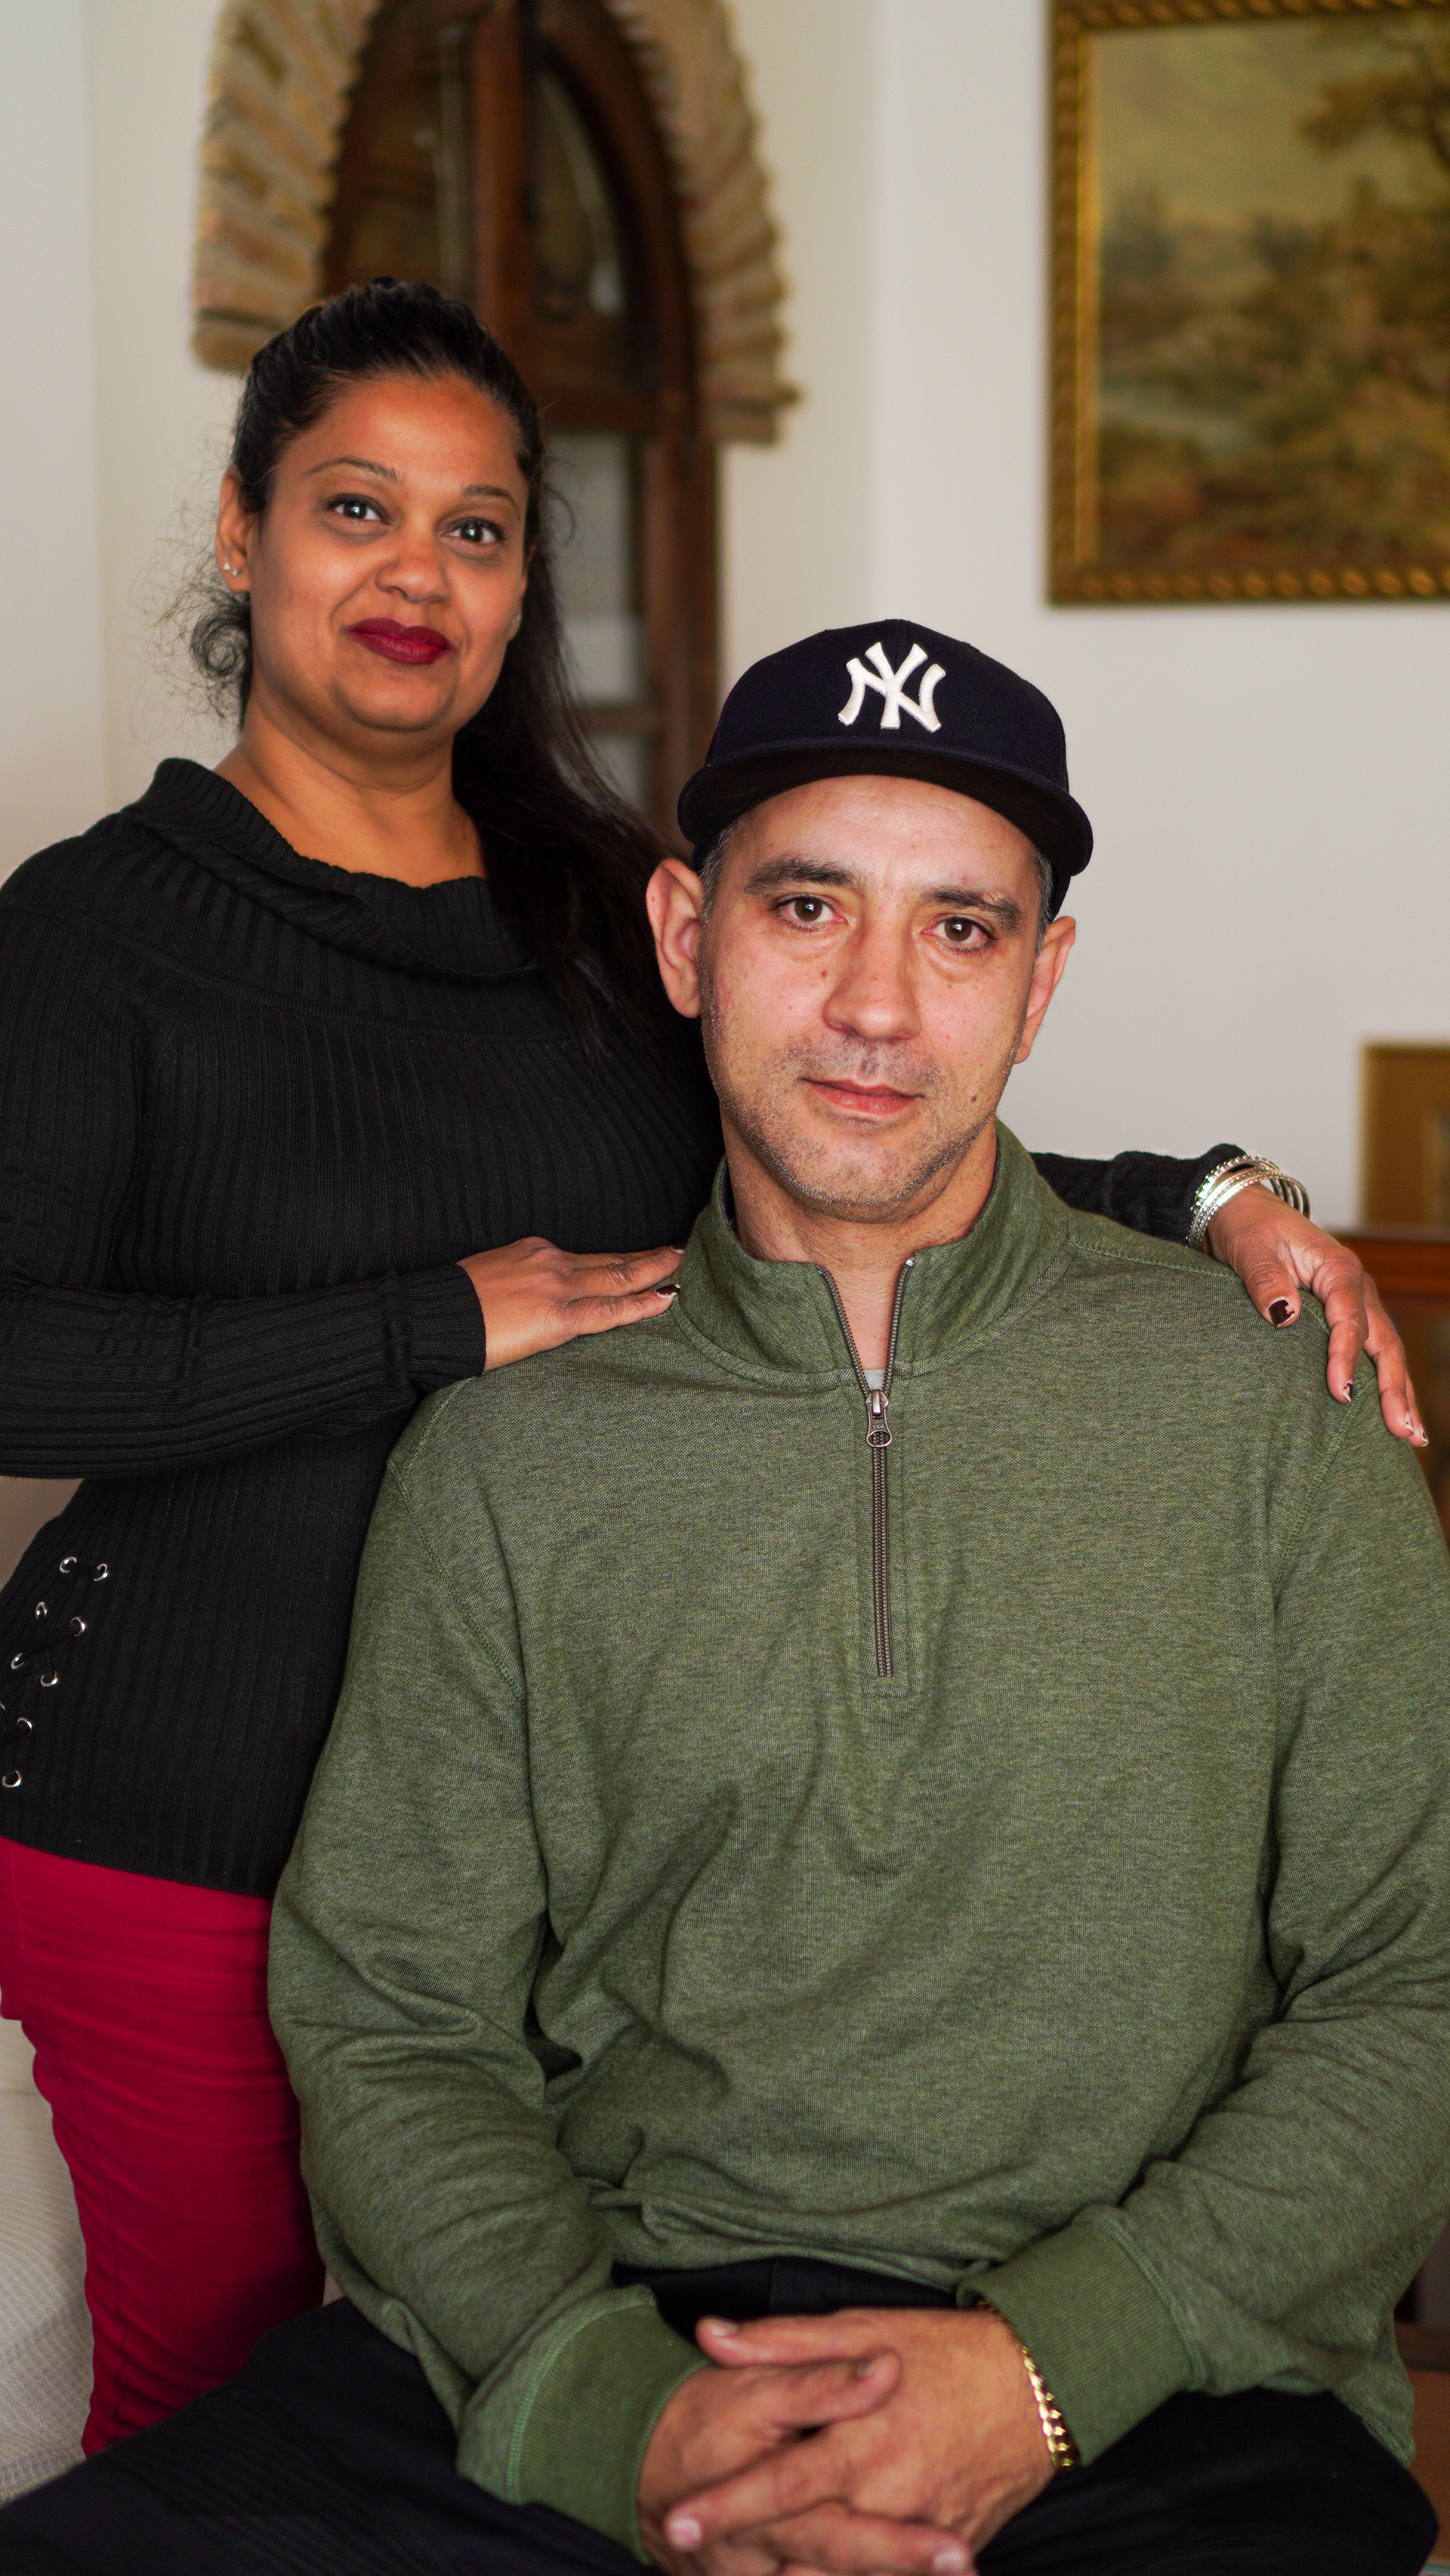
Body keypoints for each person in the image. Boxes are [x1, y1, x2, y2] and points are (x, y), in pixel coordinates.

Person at [0, 273, 1416, 2448]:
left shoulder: (593, 913)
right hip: (185, 1807)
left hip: (546, 1806)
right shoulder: (93, 931)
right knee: (235, 2421)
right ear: (242, 527)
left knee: (465, 2353)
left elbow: (853, 1123)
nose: (416, 572)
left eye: (479, 528)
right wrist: (429, 1324)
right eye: (357, 506)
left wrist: (1206, 1195)